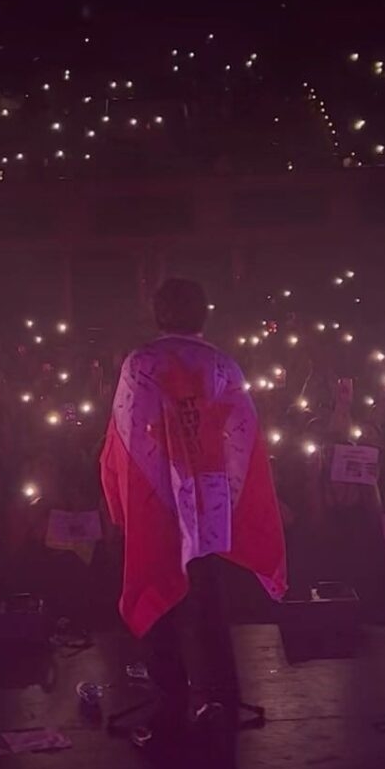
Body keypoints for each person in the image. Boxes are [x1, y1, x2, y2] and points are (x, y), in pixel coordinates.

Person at [100, 277, 287, 740]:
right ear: (203, 313)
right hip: (210, 499)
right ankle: (221, 696)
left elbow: (125, 438)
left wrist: (124, 500)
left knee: (165, 595)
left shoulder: (141, 364)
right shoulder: (223, 365)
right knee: (207, 599)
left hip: (160, 497)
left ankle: (171, 699)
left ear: (157, 313)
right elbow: (243, 439)